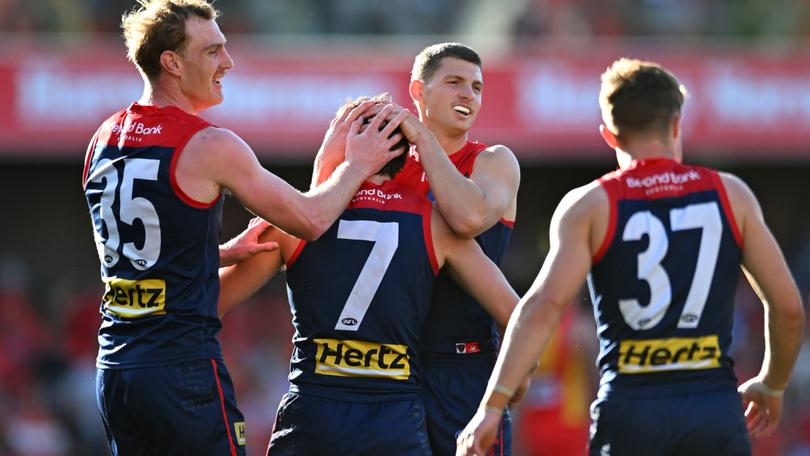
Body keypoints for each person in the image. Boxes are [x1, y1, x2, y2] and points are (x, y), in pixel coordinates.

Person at [81, 1, 405, 454]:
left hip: (116, 367)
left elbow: (138, 263)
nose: (227, 63)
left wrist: (220, 252)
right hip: (181, 369)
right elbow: (310, 220)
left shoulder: (104, 137)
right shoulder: (209, 143)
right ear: (172, 62)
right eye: (213, 52)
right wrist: (356, 165)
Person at [456, 57, 805, 456]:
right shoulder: (731, 195)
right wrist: (772, 384)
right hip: (712, 406)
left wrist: (492, 405)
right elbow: (788, 306)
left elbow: (544, 305)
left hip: (631, 406)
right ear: (676, 124)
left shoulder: (591, 205)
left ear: (609, 136)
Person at [218, 94, 519, 456]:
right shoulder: (435, 224)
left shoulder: (293, 220)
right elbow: (513, 312)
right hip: (394, 414)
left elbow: (207, 302)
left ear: (340, 144)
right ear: (403, 154)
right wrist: (506, 389)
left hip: (315, 406)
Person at [313, 42, 522, 455]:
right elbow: (317, 225)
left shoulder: (494, 161)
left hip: (464, 364)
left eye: (477, 88)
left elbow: (467, 218)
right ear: (418, 91)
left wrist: (421, 138)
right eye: (455, 82)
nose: (469, 95)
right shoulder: (382, 165)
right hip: (388, 370)